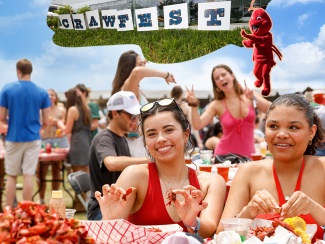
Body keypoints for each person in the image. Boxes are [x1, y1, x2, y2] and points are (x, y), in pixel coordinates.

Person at [95, 98, 226, 239]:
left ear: (186, 135)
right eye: (152, 134)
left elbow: (209, 231)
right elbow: (108, 237)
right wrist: (109, 221)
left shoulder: (212, 182)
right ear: (145, 143)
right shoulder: (135, 176)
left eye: (168, 130)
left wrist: (193, 222)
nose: (160, 139)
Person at [217, 94, 325, 241]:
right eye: (273, 126)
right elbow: (220, 234)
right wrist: (247, 213)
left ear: (311, 132)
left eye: (293, 127)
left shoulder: (322, 168)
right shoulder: (248, 172)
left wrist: (314, 209)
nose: (281, 134)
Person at [87, 91, 150, 220]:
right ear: (115, 113)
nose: (136, 120)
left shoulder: (121, 137)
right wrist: (150, 161)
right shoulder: (104, 138)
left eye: (137, 116)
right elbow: (111, 163)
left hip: (117, 204)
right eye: (132, 116)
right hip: (102, 209)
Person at [186, 64, 271, 158]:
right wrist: (193, 105)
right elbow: (197, 125)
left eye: (223, 74)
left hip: (249, 156)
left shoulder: (250, 96)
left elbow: (273, 109)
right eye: (217, 78)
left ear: (232, 76)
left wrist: (254, 98)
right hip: (224, 157)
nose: (221, 78)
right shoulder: (216, 104)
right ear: (216, 86)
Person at [0, 58, 51, 207]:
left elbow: (1, 117)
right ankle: (27, 211)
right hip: (33, 137)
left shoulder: (7, 89)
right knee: (29, 175)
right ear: (31, 71)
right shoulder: (41, 91)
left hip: (13, 137)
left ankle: (9, 212)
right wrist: (39, 129)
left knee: (11, 176)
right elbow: (47, 120)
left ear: (18, 71)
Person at [111, 50, 176, 157]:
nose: (144, 67)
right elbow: (137, 72)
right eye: (140, 64)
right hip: (133, 142)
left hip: (137, 141)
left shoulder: (133, 88)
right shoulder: (128, 88)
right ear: (130, 67)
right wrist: (166, 75)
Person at [37, 88, 69, 205]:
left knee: (57, 171)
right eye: (48, 95)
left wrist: (57, 122)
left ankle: (55, 200)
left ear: (56, 97)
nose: (50, 96)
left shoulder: (61, 110)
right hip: (43, 140)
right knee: (40, 171)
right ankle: (41, 199)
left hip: (57, 141)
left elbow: (63, 125)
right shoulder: (40, 110)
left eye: (52, 95)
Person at [64, 88, 91, 174]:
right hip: (87, 141)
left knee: (77, 172)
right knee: (87, 170)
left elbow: (67, 130)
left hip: (77, 142)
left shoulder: (73, 110)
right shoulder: (87, 109)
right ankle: (91, 188)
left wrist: (58, 123)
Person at [170, 85, 204, 150]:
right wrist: (199, 142)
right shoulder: (185, 106)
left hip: (171, 136)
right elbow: (193, 125)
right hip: (184, 136)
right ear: (181, 94)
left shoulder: (168, 106)